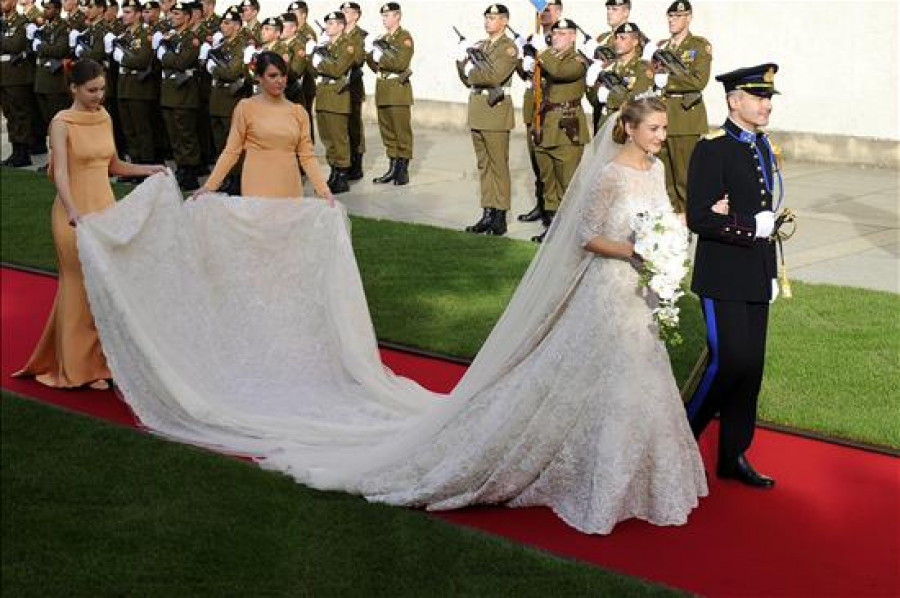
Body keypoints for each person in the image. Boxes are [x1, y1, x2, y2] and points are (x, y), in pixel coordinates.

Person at [76, 95, 707, 536]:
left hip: (636, 294)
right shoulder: (608, 177)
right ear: (629, 129)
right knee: (598, 374)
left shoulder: (652, 171)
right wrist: (640, 249)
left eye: (663, 131)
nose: (662, 138)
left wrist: (668, 243)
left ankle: (638, 477)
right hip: (608, 286)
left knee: (633, 378)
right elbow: (589, 237)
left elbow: (656, 219)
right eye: (654, 130)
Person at [13, 59, 165, 389]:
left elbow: (114, 165)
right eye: (92, 90)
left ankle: (99, 361)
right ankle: (76, 367)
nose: (98, 96)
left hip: (104, 209)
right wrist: (71, 210)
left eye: (102, 89)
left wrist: (148, 169)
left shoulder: (105, 116)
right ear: (74, 89)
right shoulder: (61, 122)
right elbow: (61, 174)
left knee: (103, 286)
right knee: (77, 282)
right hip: (72, 213)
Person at [684, 63, 783, 489]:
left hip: (756, 272)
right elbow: (699, 218)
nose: (765, 105)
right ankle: (680, 444)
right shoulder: (713, 148)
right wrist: (749, 226)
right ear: (733, 100)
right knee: (728, 363)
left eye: (768, 99)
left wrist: (772, 272)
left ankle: (733, 454)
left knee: (751, 368)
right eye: (758, 97)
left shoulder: (762, 146)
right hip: (722, 272)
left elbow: (771, 214)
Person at [193, 51, 332, 201]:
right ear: (259, 78)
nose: (280, 80)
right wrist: (210, 185)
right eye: (272, 76)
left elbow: (307, 157)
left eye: (283, 75)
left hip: (290, 185)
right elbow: (231, 151)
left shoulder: (298, 112)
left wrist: (324, 190)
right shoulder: (245, 108)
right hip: (256, 184)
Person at [524, 17, 588, 243]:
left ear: (573, 36)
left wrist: (541, 53)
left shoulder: (578, 60)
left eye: (562, 34)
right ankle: (551, 227)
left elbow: (561, 72)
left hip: (566, 128)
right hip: (544, 125)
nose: (556, 37)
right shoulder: (547, 59)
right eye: (555, 33)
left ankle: (570, 233)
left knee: (568, 183)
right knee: (547, 180)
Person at [457, 3, 519, 236]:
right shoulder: (481, 45)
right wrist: (462, 65)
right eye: (486, 17)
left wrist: (470, 71)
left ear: (504, 21)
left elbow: (495, 76)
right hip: (478, 109)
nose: (488, 21)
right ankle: (488, 212)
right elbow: (467, 78)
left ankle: (500, 214)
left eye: (493, 17)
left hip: (495, 111)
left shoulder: (508, 48)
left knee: (498, 165)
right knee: (483, 165)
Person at [653, 0, 711, 213]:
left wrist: (667, 82)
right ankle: (671, 220)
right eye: (670, 16)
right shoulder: (661, 47)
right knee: (663, 176)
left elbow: (699, 81)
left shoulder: (698, 46)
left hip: (685, 118)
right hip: (662, 118)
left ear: (688, 18)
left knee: (685, 177)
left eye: (677, 16)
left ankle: (689, 219)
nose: (672, 20)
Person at [513, 0, 560, 227]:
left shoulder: (562, 37)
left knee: (549, 161)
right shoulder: (535, 38)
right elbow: (524, 75)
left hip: (550, 105)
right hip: (533, 104)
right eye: (542, 8)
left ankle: (552, 210)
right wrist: (524, 60)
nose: (544, 12)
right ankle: (540, 204)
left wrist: (541, 54)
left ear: (559, 11)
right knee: (535, 159)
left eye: (549, 8)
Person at [365, 1, 413, 186]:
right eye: (383, 16)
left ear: (397, 16)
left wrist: (381, 57)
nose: (384, 19)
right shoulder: (382, 37)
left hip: (397, 89)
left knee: (401, 131)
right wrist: (370, 55)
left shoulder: (404, 37)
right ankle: (392, 167)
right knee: (388, 131)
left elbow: (401, 63)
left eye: (388, 15)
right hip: (383, 87)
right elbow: (373, 65)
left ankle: (402, 170)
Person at [310, 10, 355, 194]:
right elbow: (313, 72)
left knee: (339, 139)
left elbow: (337, 69)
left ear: (341, 26)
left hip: (337, 97)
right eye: (327, 24)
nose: (327, 26)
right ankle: (334, 173)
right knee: (327, 139)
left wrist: (320, 64)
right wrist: (312, 58)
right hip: (323, 94)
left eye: (331, 23)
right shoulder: (326, 46)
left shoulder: (347, 45)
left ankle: (342, 176)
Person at [589, 21, 652, 130]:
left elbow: (638, 102)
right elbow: (594, 101)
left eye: (623, 38)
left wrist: (609, 97)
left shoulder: (642, 68)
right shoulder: (608, 66)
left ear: (635, 42)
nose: (617, 42)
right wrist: (591, 85)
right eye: (616, 38)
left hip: (627, 127)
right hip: (604, 126)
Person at [1, 0, 36, 166]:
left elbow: (15, 45)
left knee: (21, 113)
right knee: (10, 114)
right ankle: (15, 150)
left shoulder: (23, 22)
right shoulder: (4, 22)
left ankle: (24, 153)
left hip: (18, 75)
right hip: (5, 74)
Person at [586, 0, 630, 134]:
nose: (609, 12)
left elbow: (632, 69)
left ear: (626, 12)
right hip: (599, 108)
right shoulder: (602, 38)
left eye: (615, 9)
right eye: (608, 9)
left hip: (619, 110)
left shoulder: (633, 38)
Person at [340, 1, 366, 182]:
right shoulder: (338, 33)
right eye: (342, 11)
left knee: (354, 125)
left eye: (347, 12)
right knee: (341, 126)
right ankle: (345, 162)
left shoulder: (360, 35)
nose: (344, 14)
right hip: (339, 86)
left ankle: (357, 162)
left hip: (353, 85)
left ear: (356, 15)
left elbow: (357, 59)